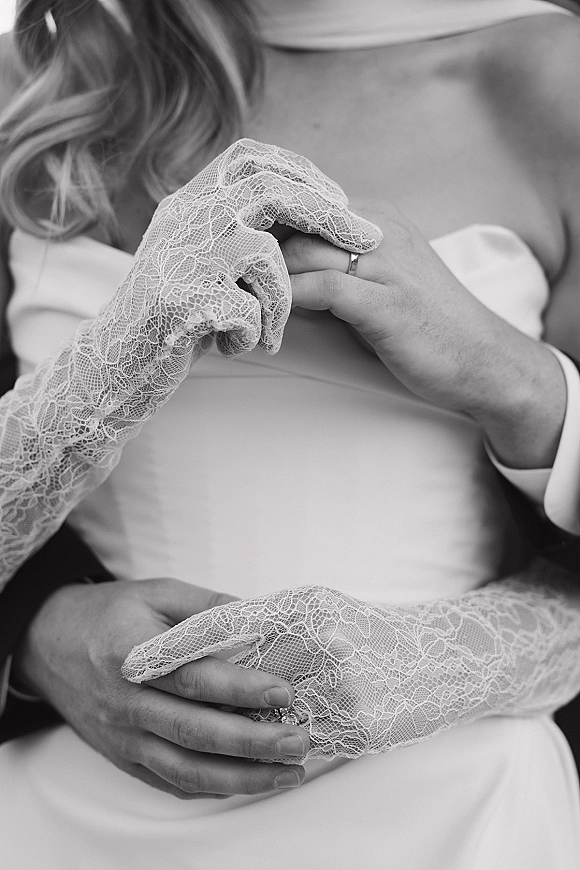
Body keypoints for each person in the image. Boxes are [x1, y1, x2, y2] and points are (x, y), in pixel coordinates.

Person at [1, 0, 580, 867]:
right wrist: (33, 635)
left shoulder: (556, 79)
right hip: (66, 811)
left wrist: (507, 374)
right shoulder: (40, 82)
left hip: (454, 812)